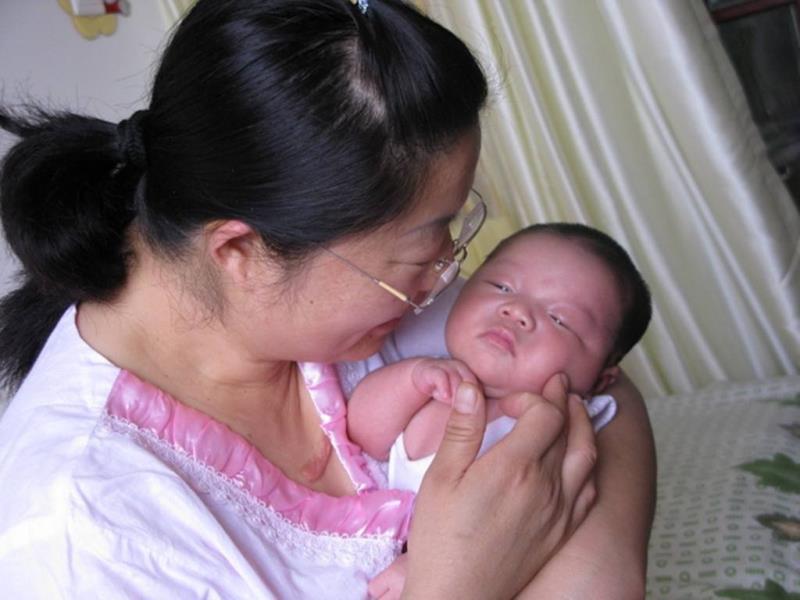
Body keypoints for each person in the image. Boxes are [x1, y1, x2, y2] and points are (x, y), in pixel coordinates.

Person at [0, 1, 654, 598]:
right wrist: (460, 585)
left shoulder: (339, 308)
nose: (443, 276)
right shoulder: (81, 538)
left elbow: (595, 374)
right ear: (241, 251)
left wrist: (599, 566)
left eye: (452, 231)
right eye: (418, 255)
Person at [345, 222, 652, 598]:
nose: (517, 310)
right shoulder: (431, 377)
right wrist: (413, 379)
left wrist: (425, 568)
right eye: (501, 286)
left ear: (601, 380)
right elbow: (362, 436)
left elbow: (528, 535)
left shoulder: (553, 437)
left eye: (560, 319)